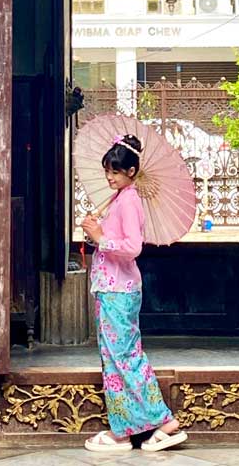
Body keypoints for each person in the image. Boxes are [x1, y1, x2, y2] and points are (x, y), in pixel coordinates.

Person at [81, 133, 186, 454]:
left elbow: (133, 247)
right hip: (111, 288)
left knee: (123, 359)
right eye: (107, 171)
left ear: (131, 171)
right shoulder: (120, 198)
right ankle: (126, 429)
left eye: (115, 171)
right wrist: (96, 232)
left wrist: (100, 237)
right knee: (117, 360)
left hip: (119, 290)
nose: (109, 177)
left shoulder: (129, 201)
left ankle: (160, 423)